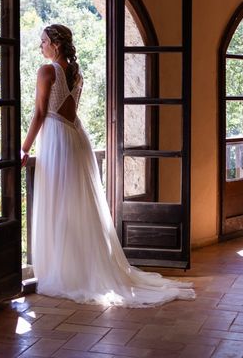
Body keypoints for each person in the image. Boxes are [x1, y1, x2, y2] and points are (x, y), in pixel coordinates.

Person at [21, 24, 195, 307]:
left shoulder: (47, 71)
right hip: (75, 138)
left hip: (56, 139)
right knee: (76, 206)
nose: (39, 46)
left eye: (42, 41)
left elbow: (40, 112)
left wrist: (24, 148)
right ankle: (79, 269)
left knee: (59, 205)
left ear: (55, 44)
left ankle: (65, 272)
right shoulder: (76, 73)